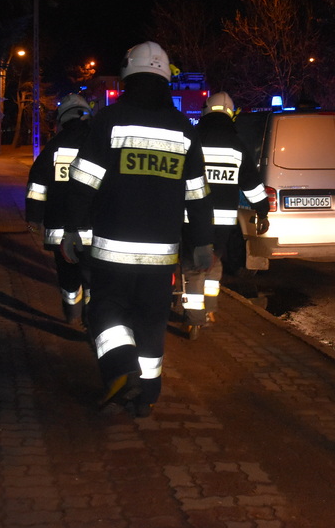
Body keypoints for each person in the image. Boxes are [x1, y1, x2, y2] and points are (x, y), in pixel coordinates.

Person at [60, 41, 214, 418]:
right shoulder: (183, 129)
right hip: (162, 258)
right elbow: (198, 195)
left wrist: (71, 231)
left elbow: (83, 182)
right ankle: (145, 398)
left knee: (105, 314)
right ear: (165, 77)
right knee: (150, 323)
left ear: (128, 74)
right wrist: (203, 242)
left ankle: (120, 370)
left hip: (112, 252)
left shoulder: (109, 121)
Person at [180, 92, 269, 332]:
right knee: (214, 261)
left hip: (191, 219)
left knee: (192, 268)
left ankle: (195, 319)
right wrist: (263, 211)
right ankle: (210, 309)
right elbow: (251, 184)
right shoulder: (237, 146)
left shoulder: (193, 140)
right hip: (223, 223)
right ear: (231, 114)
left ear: (205, 111)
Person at [25, 93, 94, 324]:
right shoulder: (98, 145)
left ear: (62, 119)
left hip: (61, 229)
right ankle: (90, 315)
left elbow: (37, 184)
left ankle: (71, 307)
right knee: (92, 275)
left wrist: (33, 218)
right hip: (94, 228)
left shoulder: (54, 147)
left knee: (67, 273)